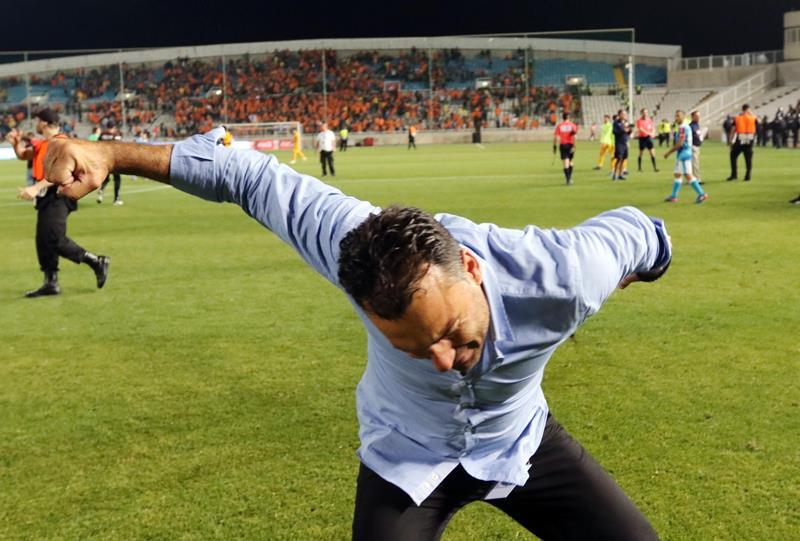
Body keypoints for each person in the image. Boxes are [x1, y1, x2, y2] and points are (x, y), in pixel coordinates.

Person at [44, 126, 670, 540]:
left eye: (451, 332)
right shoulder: (353, 246)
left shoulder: (563, 275)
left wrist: (644, 268)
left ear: (471, 268)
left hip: (521, 440)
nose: (443, 361)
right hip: (405, 453)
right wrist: (111, 154)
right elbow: (249, 177)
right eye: (413, 347)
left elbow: (644, 232)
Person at [7, 108, 109, 297]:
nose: (35, 124)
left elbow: (60, 174)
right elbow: (24, 155)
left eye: (37, 121)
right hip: (47, 196)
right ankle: (50, 282)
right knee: (43, 240)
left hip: (60, 194)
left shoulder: (62, 143)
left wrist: (35, 187)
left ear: (44, 123)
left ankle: (96, 261)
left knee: (54, 239)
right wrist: (15, 144)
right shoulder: (43, 143)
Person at [664, 110, 708, 204]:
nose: (676, 118)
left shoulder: (683, 127)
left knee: (688, 175)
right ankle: (674, 196)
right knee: (677, 174)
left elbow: (680, 143)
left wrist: (668, 152)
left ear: (683, 117)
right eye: (675, 116)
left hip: (684, 154)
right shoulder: (682, 127)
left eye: (678, 116)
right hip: (682, 154)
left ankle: (702, 194)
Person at [727, 104, 757, 182]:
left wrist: (730, 141)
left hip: (740, 139)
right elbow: (758, 123)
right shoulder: (753, 118)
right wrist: (752, 114)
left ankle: (734, 175)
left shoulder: (737, 118)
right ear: (748, 109)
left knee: (733, 156)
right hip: (750, 139)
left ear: (742, 109)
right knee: (748, 158)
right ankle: (748, 176)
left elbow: (733, 130)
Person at [97, 125, 124, 204]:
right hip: (114, 160)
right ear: (113, 127)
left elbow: (97, 144)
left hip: (104, 159)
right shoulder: (115, 134)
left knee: (106, 178)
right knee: (117, 179)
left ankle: (101, 190)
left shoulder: (102, 134)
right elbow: (120, 146)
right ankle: (116, 199)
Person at [553, 112, 578, 185]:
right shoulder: (573, 125)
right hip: (571, 145)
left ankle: (568, 180)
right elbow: (575, 137)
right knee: (571, 161)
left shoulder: (559, 126)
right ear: (568, 117)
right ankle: (570, 178)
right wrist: (574, 146)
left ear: (563, 118)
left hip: (563, 145)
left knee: (565, 162)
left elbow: (556, 137)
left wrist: (554, 146)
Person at [612, 109, 632, 181]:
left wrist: (629, 130)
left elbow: (628, 132)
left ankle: (620, 174)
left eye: (625, 114)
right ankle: (615, 174)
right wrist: (623, 130)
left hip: (625, 142)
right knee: (619, 158)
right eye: (623, 114)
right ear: (619, 115)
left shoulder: (626, 122)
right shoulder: (616, 123)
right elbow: (614, 132)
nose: (624, 115)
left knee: (623, 159)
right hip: (619, 143)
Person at [689, 110, 704, 184]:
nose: (698, 118)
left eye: (699, 116)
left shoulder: (696, 125)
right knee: (695, 163)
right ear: (692, 117)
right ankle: (697, 179)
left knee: (694, 163)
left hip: (696, 145)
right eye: (697, 116)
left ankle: (691, 178)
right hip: (693, 146)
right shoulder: (691, 126)